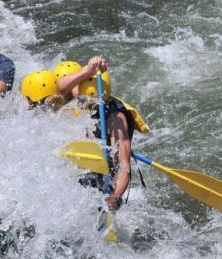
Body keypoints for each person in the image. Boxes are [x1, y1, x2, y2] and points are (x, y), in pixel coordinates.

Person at [20, 61, 142, 212]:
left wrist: (116, 196)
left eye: (94, 103)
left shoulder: (116, 119)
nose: (89, 106)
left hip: (102, 169)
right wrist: (87, 71)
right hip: (79, 160)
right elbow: (58, 86)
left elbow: (123, 166)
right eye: (86, 102)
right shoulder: (81, 96)